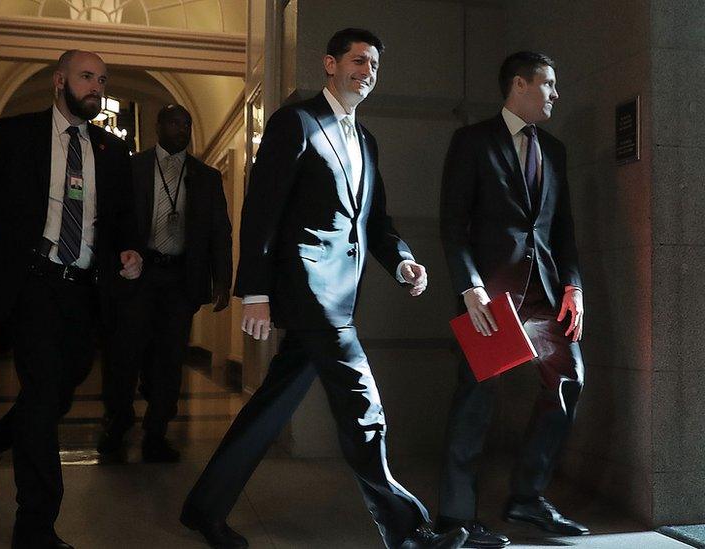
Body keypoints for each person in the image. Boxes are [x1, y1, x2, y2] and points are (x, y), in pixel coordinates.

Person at [180, 28, 468, 549]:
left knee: (269, 407)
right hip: (311, 293)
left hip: (341, 294)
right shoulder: (296, 123)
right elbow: (263, 211)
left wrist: (402, 261)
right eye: (358, 60)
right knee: (364, 407)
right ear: (329, 64)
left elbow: (373, 221)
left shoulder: (366, 140)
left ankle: (204, 508)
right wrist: (256, 293)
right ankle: (408, 532)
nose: (367, 71)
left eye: (375, 64)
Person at [0, 49, 142, 549]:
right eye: (87, 77)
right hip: (32, 284)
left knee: (59, 394)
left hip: (84, 291)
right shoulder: (14, 134)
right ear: (59, 81)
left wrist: (129, 250)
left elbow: (123, 216)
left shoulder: (110, 150)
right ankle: (36, 525)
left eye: (102, 80)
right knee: (43, 396)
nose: (96, 87)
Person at [436, 51, 588, 547]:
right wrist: (470, 286)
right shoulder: (472, 141)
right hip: (491, 299)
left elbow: (561, 229)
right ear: (519, 85)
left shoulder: (556, 151)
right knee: (476, 402)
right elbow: (453, 225)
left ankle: (526, 498)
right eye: (548, 84)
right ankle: (455, 517)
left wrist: (574, 285)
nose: (555, 94)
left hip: (546, 293)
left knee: (569, 379)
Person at [98, 104, 233, 463]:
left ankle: (156, 432)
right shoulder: (134, 168)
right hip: (138, 275)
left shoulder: (206, 176)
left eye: (187, 123)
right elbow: (110, 221)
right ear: (157, 125)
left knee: (171, 358)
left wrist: (222, 277)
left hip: (180, 278)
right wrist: (114, 264)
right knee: (126, 351)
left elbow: (220, 230)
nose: (182, 128)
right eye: (174, 122)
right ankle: (118, 421)